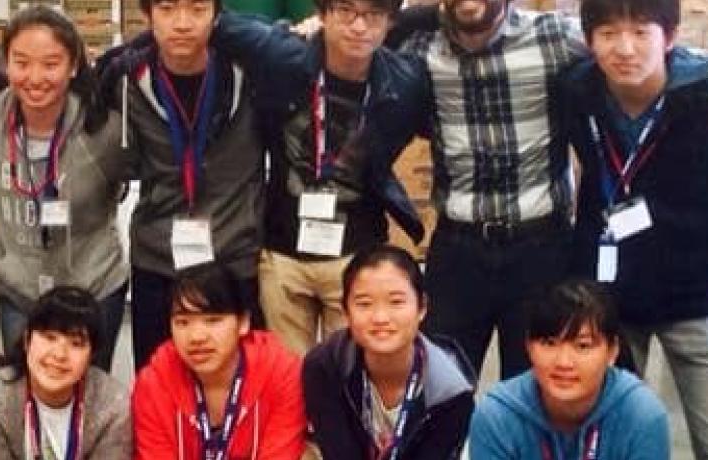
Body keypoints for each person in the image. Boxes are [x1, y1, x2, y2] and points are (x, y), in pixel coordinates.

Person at [382, 0, 708, 381]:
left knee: (538, 390)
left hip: (539, 250)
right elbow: (352, 45)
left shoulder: (552, 36)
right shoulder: (418, 46)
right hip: (457, 252)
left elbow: (645, 46)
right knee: (440, 392)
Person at [557, 0, 708, 457]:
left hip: (701, 296)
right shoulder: (576, 90)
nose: (625, 48)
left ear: (670, 37)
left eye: (641, 32)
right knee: (602, 445)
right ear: (589, 41)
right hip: (608, 297)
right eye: (608, 34)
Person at [161, 0, 431, 355]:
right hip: (282, 251)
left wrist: (432, 13)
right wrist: (115, 61)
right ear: (323, 13)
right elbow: (202, 22)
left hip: (357, 251)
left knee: (350, 373)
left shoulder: (409, 81)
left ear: (390, 22)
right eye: (346, 12)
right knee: (288, 376)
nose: (359, 26)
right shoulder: (282, 56)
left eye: (373, 16)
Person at [106, 0, 269, 370]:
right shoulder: (126, 81)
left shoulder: (252, 73)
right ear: (148, 16)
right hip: (159, 259)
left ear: (217, 15)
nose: (183, 24)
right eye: (167, 9)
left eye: (197, 9)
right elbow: (54, 80)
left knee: (239, 386)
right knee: (158, 383)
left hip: (233, 256)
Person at [0, 6, 132, 371]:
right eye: (21, 62)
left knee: (87, 401)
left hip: (92, 287)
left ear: (74, 65)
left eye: (50, 63)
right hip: (20, 290)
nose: (35, 77)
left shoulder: (105, 130)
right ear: (5, 63)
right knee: (24, 397)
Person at [303, 246, 475, 459]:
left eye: (396, 302)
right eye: (364, 304)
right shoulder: (324, 366)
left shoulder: (451, 391)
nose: (380, 317)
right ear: (345, 311)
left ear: (422, 308)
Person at [469, 280, 670, 460]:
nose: (564, 362)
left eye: (583, 346)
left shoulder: (642, 415)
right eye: (549, 343)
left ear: (612, 351)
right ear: (528, 346)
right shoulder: (497, 416)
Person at [131, 268, 306, 459]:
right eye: (183, 322)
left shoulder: (282, 373)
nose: (197, 337)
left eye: (212, 321)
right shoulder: (153, 382)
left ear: (243, 323)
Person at [0, 286, 135, 459]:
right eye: (49, 337)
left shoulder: (113, 405)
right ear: (27, 341)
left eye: (76, 343)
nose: (59, 354)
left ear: (91, 356)